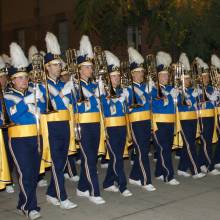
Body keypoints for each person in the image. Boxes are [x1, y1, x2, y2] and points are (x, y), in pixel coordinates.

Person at [5, 42, 44, 220]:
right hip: (19, 139)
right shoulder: (6, 96)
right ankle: (30, 207)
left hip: (35, 136)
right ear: (12, 80)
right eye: (20, 78)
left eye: (25, 78)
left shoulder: (31, 92)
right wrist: (25, 102)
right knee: (26, 173)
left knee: (34, 174)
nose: (24, 81)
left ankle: (23, 202)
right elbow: (12, 116)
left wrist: (40, 99)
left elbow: (43, 110)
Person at [43, 32, 77, 209]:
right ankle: (62, 198)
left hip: (64, 125)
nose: (58, 67)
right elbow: (45, 106)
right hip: (52, 127)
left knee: (61, 162)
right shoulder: (43, 85)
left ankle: (51, 193)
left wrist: (68, 92)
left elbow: (69, 104)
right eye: (55, 65)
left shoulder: (58, 84)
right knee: (57, 163)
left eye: (59, 64)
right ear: (47, 67)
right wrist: (63, 94)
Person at [101, 50, 132, 196]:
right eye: (114, 76)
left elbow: (126, 110)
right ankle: (122, 185)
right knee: (117, 157)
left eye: (118, 76)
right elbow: (107, 110)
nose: (117, 78)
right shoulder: (104, 92)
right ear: (108, 78)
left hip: (121, 126)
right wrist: (116, 100)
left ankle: (108, 182)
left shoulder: (121, 90)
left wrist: (125, 99)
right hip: (111, 127)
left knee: (116, 156)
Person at [125, 47, 156, 191]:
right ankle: (145, 180)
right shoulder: (128, 89)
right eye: (139, 72)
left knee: (142, 149)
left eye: (142, 72)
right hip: (135, 123)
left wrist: (151, 92)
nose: (142, 74)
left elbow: (150, 103)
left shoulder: (145, 86)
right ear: (132, 74)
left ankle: (134, 176)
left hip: (145, 121)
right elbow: (127, 107)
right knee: (142, 151)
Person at [152, 51, 180, 185]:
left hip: (170, 121)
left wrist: (177, 95)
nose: (165, 77)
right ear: (157, 76)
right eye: (162, 75)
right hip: (159, 122)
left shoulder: (170, 87)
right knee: (164, 149)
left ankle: (158, 172)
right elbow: (157, 104)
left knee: (166, 148)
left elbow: (177, 103)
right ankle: (169, 176)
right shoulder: (153, 89)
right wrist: (169, 96)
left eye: (166, 75)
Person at [177, 53, 206, 179]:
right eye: (186, 78)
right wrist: (187, 98)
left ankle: (182, 168)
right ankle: (195, 170)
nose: (188, 80)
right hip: (183, 119)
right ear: (181, 79)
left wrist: (197, 98)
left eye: (189, 78)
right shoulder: (178, 90)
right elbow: (180, 104)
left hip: (193, 118)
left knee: (188, 143)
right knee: (190, 144)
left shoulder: (190, 89)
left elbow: (195, 104)